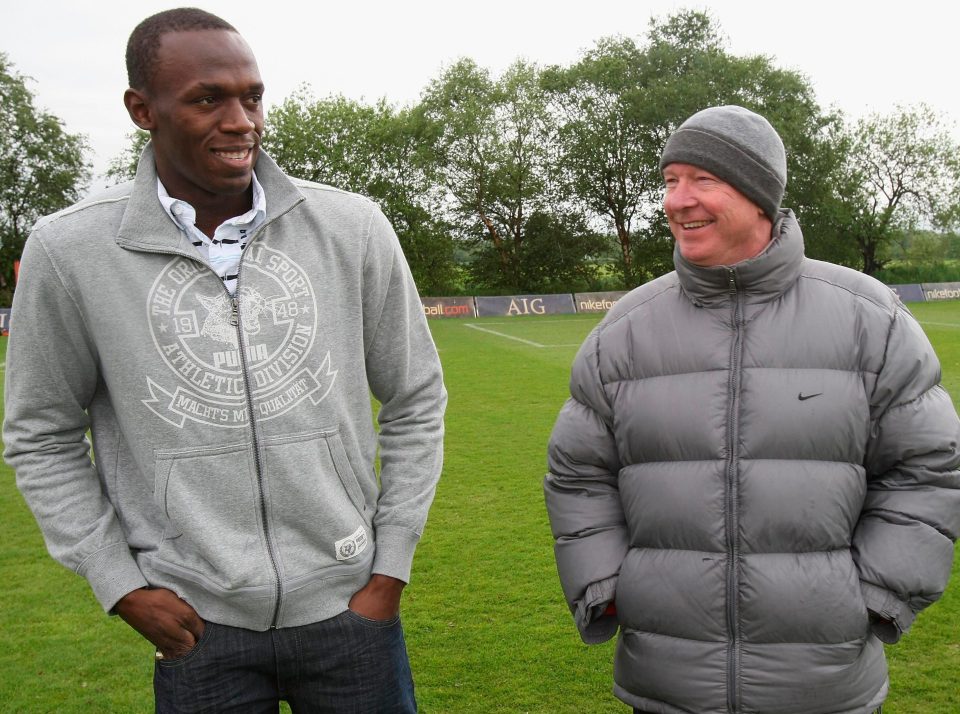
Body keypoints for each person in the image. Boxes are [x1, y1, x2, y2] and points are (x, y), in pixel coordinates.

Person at [3, 8, 446, 712]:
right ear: (142, 110)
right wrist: (118, 583)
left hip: (351, 611)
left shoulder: (352, 225)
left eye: (253, 96)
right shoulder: (71, 249)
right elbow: (40, 433)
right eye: (209, 99)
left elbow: (416, 397)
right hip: (196, 624)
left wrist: (389, 568)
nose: (242, 120)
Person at [544, 105, 960, 714]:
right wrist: (607, 586)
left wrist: (873, 593)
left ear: (760, 195)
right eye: (669, 180)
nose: (677, 201)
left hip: (824, 686)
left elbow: (929, 466)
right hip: (667, 685)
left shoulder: (871, 319)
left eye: (703, 180)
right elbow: (578, 472)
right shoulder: (624, 332)